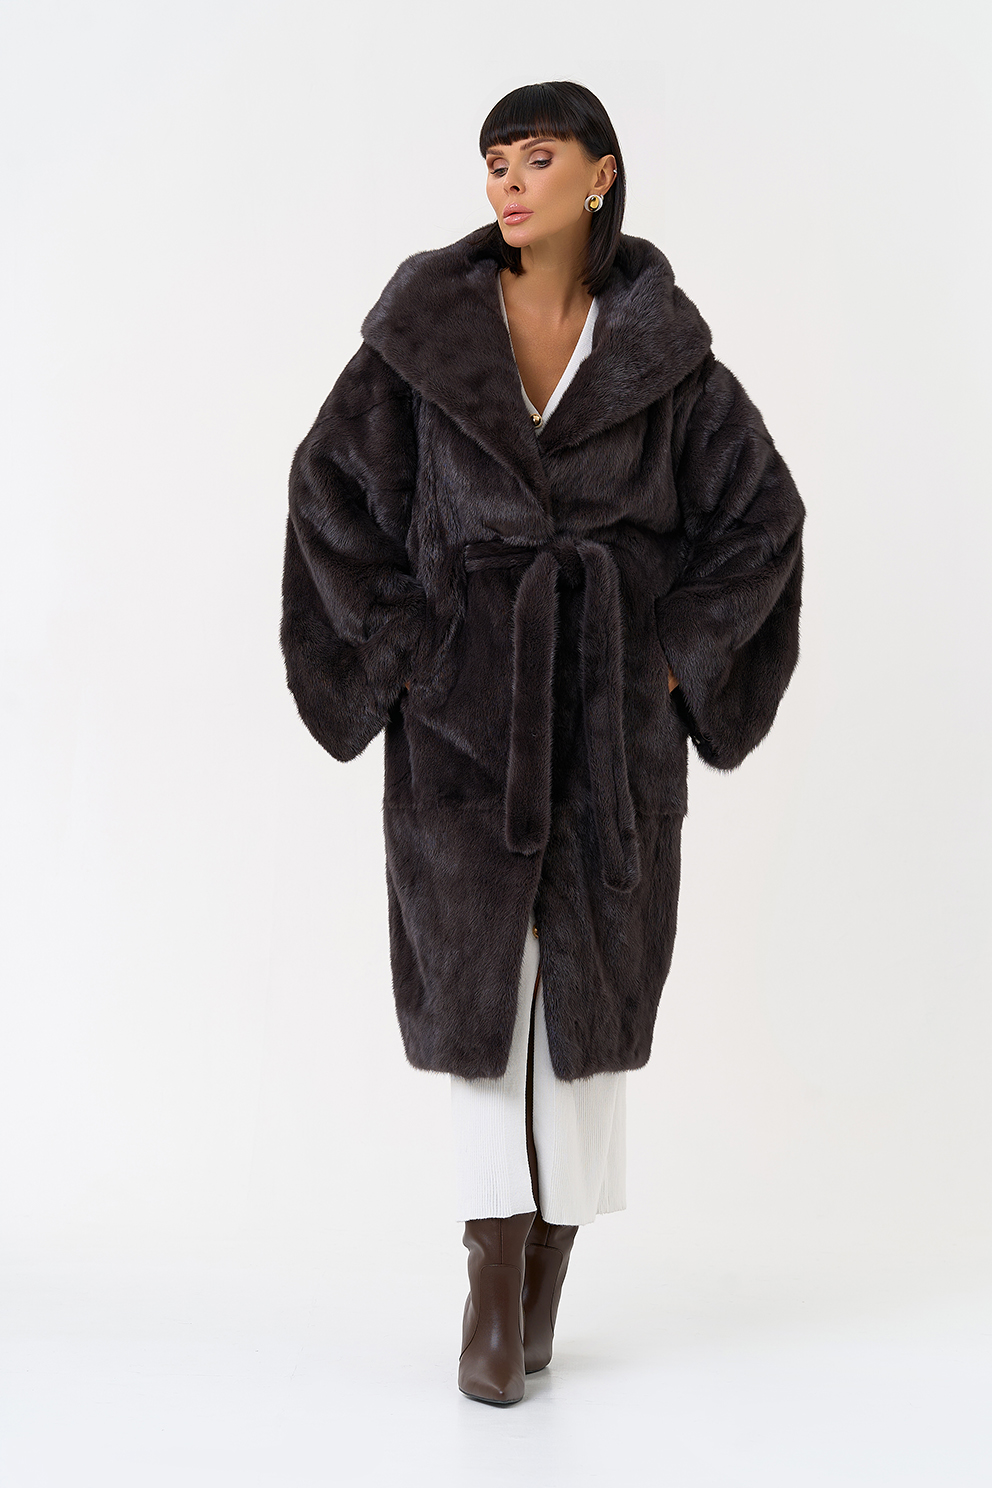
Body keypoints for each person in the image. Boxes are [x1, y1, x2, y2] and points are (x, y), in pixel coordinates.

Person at [280, 80, 805, 1406]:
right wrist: (412, 648)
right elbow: (329, 491)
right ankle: (490, 1277)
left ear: (599, 175)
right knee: (477, 1000)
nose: (508, 183)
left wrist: (673, 657)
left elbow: (762, 516)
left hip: (610, 730)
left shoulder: (666, 358)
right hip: (465, 725)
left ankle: (547, 1270)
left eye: (536, 158)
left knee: (585, 1010)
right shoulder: (422, 340)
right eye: (494, 162)